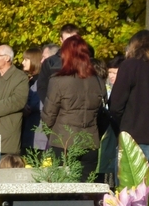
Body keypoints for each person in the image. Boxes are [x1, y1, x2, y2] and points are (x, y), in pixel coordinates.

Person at [41, 36, 105, 181]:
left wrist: (53, 136)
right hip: (90, 143)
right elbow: (101, 115)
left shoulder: (58, 81)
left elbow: (48, 115)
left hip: (63, 142)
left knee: (63, 189)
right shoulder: (98, 81)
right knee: (85, 189)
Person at [109, 30, 149, 163]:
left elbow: (115, 104)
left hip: (133, 138)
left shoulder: (130, 66)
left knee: (130, 177)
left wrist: (124, 124)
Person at [38, 24, 80, 105]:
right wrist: (51, 105)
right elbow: (42, 87)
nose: (70, 44)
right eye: (67, 40)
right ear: (61, 40)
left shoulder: (87, 61)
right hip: (57, 108)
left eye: (73, 40)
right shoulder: (50, 63)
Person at [21, 47, 47, 154]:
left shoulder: (41, 80)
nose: (22, 62)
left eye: (26, 60)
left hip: (38, 133)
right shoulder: (29, 80)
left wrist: (27, 106)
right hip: (30, 132)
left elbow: (40, 102)